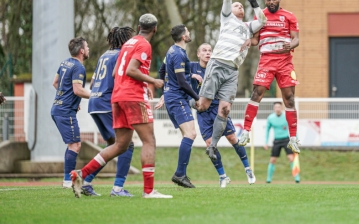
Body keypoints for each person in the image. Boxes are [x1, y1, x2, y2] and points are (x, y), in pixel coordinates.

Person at [71, 14, 172, 199]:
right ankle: (148, 191)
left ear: (138, 26)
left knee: (121, 145)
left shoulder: (127, 44)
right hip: (132, 97)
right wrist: (153, 81)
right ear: (155, 29)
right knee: (149, 141)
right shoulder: (144, 44)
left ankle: (82, 174)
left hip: (117, 98)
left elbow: (118, 71)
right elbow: (130, 70)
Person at [193, 0, 267, 161]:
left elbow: (263, 20)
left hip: (232, 71)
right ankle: (188, 98)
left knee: (225, 109)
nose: (239, 7)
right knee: (203, 105)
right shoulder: (227, 19)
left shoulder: (247, 27)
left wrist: (254, 3)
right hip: (218, 64)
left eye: (242, 6)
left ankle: (213, 146)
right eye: (237, 5)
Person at [238, 0, 301, 154]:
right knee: (256, 93)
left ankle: (293, 139)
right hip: (266, 60)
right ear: (265, 1)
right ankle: (245, 132)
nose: (271, 2)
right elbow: (256, 39)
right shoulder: (261, 16)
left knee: (289, 98)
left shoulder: (289, 16)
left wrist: (291, 45)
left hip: (285, 62)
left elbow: (296, 39)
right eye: (268, 0)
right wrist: (247, 41)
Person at [191, 43, 255, 187]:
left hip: (217, 109)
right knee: (209, 144)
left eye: (209, 50)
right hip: (202, 113)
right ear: (198, 54)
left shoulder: (217, 68)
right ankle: (222, 176)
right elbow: (179, 79)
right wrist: (191, 76)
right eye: (204, 50)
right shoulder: (192, 67)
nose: (207, 53)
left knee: (232, 138)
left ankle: (248, 168)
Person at [82, 26, 136, 197]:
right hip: (107, 103)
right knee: (127, 145)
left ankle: (86, 182)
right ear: (125, 40)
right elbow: (119, 77)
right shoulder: (122, 55)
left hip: (94, 102)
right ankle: (117, 188)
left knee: (114, 146)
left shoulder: (104, 55)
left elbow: (92, 84)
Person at [156, 24, 198, 188]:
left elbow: (161, 71)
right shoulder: (179, 54)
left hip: (173, 97)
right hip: (178, 98)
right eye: (188, 31)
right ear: (183, 37)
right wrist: (197, 97)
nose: (189, 33)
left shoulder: (171, 51)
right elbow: (181, 81)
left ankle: (181, 174)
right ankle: (180, 174)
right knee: (191, 134)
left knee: (188, 135)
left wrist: (165, 92)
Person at [51, 37, 91, 189]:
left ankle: (68, 179)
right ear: (81, 51)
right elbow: (77, 90)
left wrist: (70, 99)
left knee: (73, 145)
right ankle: (68, 181)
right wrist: (96, 96)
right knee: (75, 145)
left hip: (58, 108)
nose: (88, 49)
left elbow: (55, 83)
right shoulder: (79, 67)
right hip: (65, 111)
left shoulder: (64, 63)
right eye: (86, 47)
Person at [264, 102, 300, 184]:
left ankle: (297, 178)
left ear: (281, 108)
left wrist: (296, 140)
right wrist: (265, 142)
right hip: (277, 141)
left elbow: (293, 127)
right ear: (274, 108)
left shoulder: (286, 116)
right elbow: (267, 131)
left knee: (291, 158)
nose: (277, 109)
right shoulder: (270, 118)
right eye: (276, 107)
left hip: (286, 140)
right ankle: (268, 179)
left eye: (279, 107)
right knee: (272, 160)